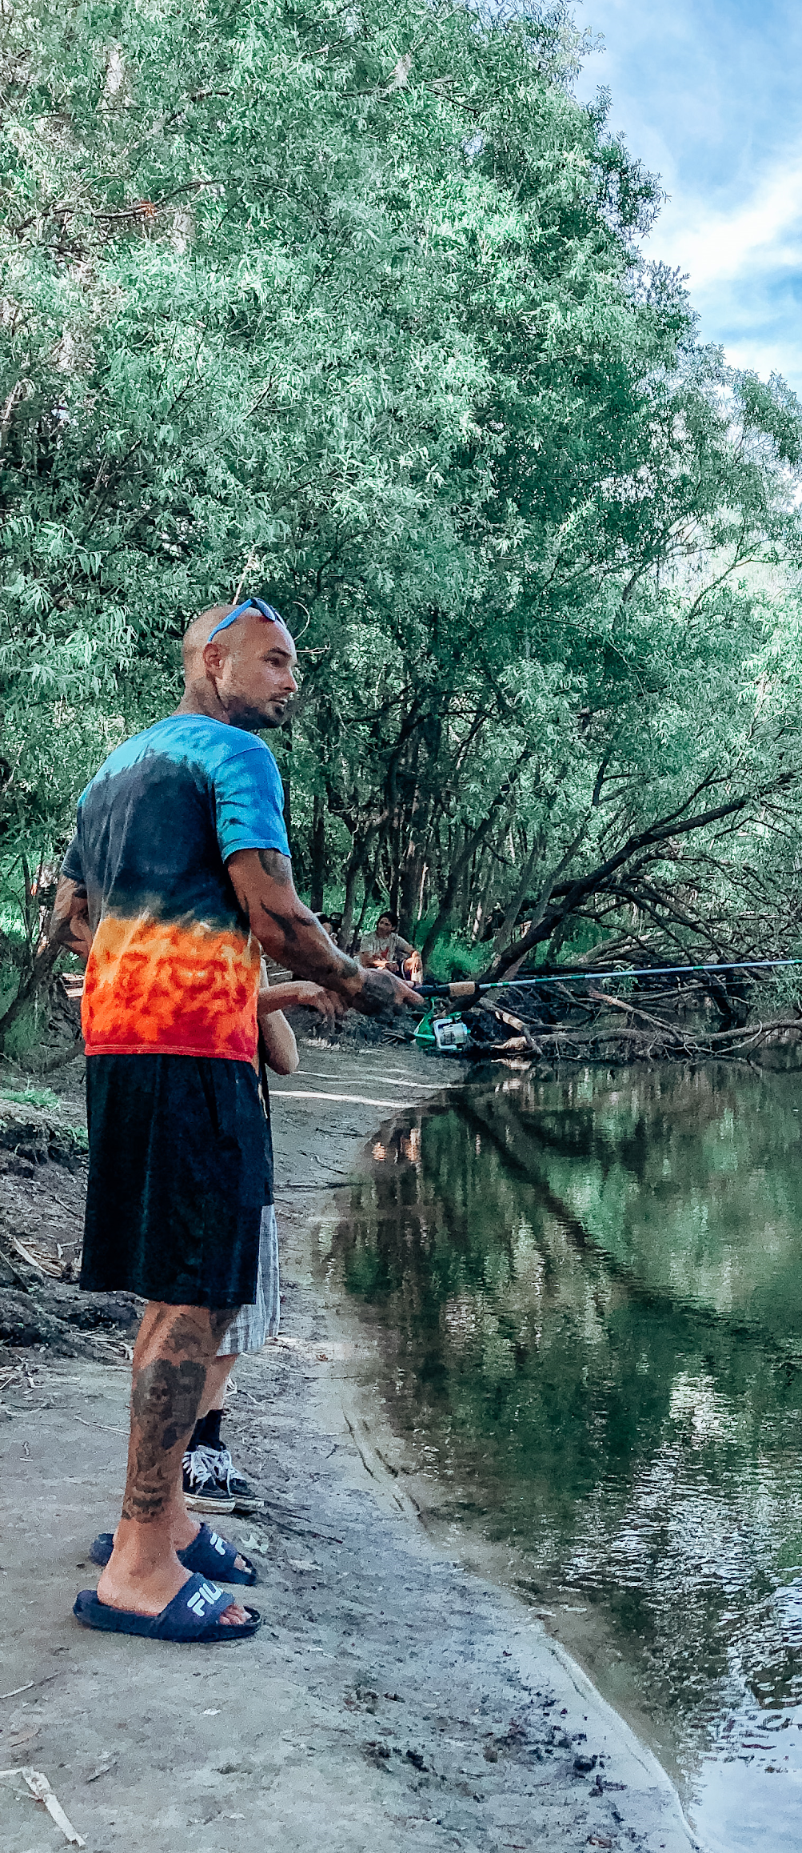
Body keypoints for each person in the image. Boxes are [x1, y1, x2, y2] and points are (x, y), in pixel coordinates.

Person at [53, 596, 420, 1643]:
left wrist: (216, 981)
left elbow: (79, 922)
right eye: (273, 659)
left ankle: (160, 1517)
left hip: (123, 1050)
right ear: (213, 657)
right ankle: (136, 1565)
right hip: (191, 1062)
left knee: (180, 1290)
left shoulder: (113, 770)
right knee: (193, 1298)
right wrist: (357, 980)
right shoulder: (234, 758)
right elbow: (273, 910)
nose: (289, 679)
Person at [179, 964, 338, 1517]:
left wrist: (265, 981)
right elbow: (203, 1011)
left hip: (248, 1148)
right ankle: (186, 1453)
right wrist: (295, 991)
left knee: (242, 1316)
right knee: (214, 1313)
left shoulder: (245, 963)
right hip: (210, 1147)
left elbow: (287, 1061)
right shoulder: (193, 952)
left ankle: (209, 1445)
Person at [359, 909, 416, 974]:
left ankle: (417, 983)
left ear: (393, 928)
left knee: (414, 963)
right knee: (384, 969)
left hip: (389, 969)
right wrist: (385, 963)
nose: (382, 926)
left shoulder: (394, 938)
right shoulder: (368, 938)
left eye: (386, 924)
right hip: (368, 971)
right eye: (381, 923)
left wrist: (416, 957)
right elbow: (367, 960)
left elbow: (411, 950)